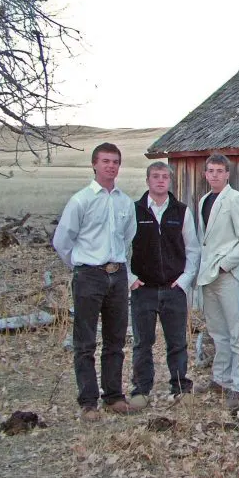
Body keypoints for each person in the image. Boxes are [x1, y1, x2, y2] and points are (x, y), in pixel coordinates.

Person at [52, 142, 137, 421]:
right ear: (94, 164)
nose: (111, 166)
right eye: (105, 161)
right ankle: (88, 402)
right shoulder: (81, 200)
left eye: (115, 162)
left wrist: (115, 265)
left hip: (117, 274)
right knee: (85, 341)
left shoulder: (125, 202)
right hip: (89, 274)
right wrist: (82, 266)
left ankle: (113, 396)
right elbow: (62, 241)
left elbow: (127, 236)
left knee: (115, 339)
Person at [128, 161, 200, 410]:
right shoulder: (135, 211)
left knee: (177, 341)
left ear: (170, 181)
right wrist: (130, 279)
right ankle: (141, 389)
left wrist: (184, 280)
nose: (160, 180)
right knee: (142, 342)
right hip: (144, 289)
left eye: (164, 177)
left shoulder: (181, 211)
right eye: (155, 176)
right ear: (147, 180)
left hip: (173, 288)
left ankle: (180, 386)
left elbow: (193, 249)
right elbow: (121, 246)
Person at [196, 153, 239, 412]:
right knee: (217, 330)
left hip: (226, 274)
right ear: (205, 174)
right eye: (211, 171)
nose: (215, 175)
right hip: (207, 275)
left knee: (236, 331)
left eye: (219, 171)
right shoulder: (204, 200)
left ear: (227, 174)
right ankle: (220, 378)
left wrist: (225, 264)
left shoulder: (236, 199)